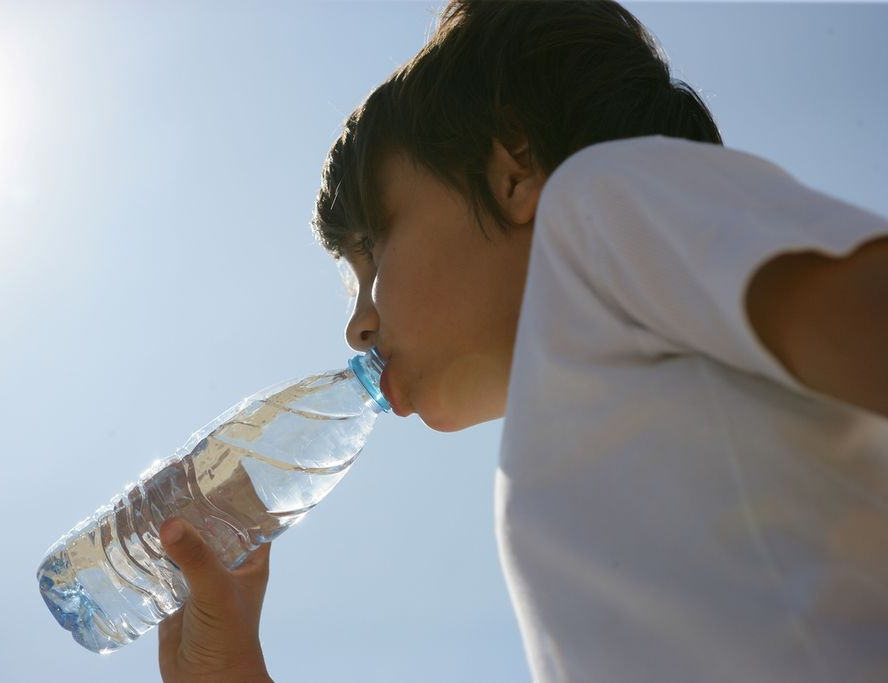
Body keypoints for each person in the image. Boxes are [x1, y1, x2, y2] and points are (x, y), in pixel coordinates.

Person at [157, 1, 888, 681]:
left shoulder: (601, 203)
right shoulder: (557, 463)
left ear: (514, 170)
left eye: (376, 249)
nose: (359, 324)